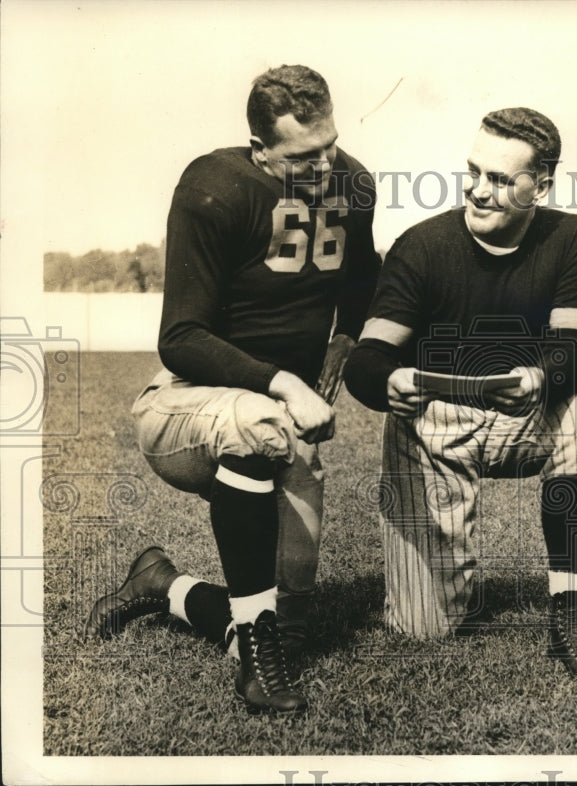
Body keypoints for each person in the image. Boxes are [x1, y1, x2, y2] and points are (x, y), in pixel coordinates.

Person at [83, 65, 382, 714]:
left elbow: (362, 283)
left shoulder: (353, 182)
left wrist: (340, 350)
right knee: (255, 422)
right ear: (261, 153)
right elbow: (181, 337)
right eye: (304, 156)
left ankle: (161, 585)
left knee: (281, 630)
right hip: (184, 409)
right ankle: (254, 675)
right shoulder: (215, 186)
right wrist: (283, 384)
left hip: (280, 420)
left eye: (330, 143)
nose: (325, 164)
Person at [343, 107, 577, 677]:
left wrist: (539, 378)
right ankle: (443, 587)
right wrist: (387, 381)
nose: (478, 190)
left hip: (522, 415)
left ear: (539, 186)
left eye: (498, 179)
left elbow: (575, 353)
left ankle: (570, 612)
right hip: (432, 426)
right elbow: (365, 359)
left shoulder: (570, 238)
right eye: (473, 172)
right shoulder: (422, 246)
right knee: (423, 628)